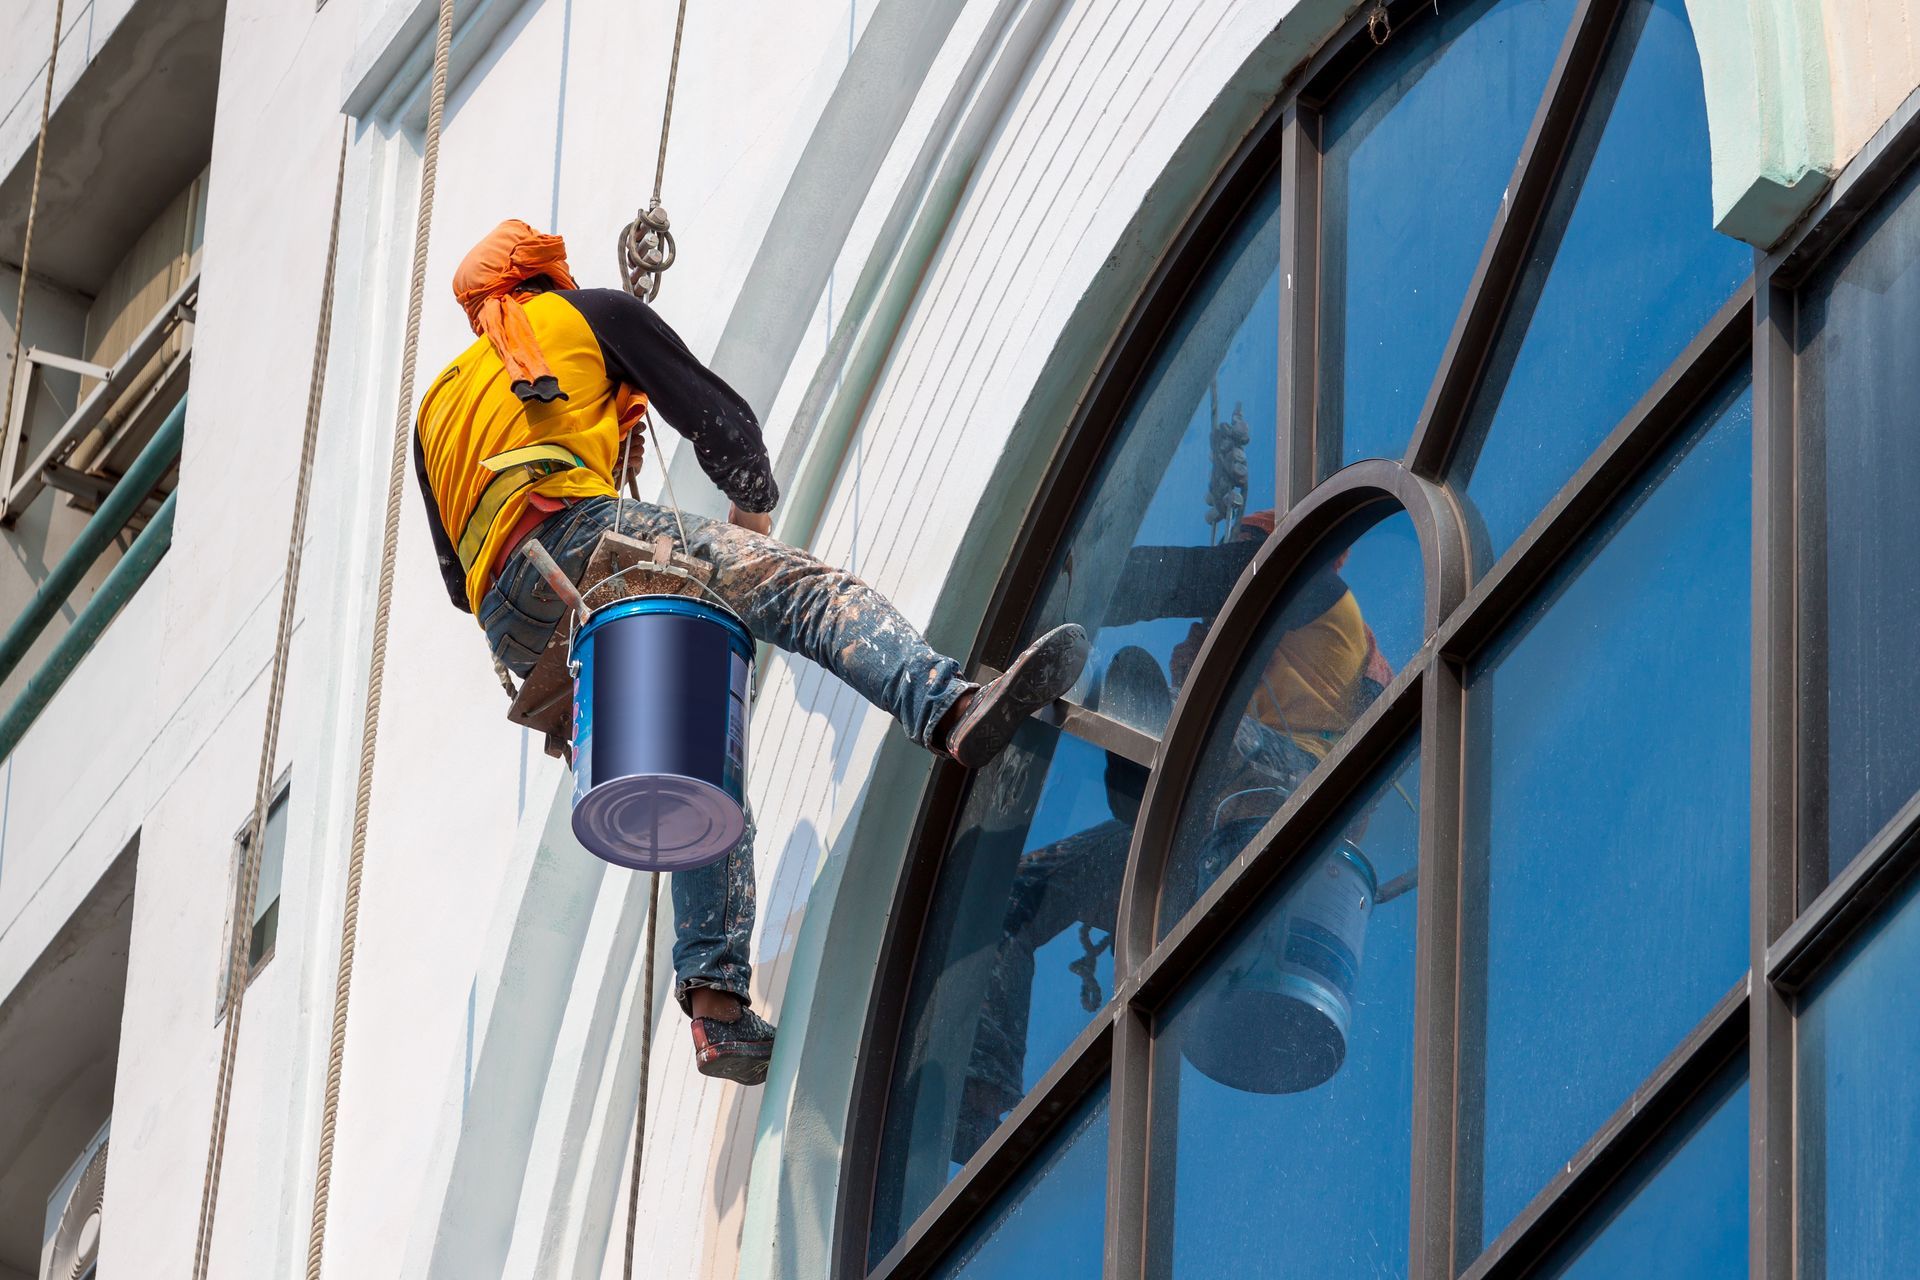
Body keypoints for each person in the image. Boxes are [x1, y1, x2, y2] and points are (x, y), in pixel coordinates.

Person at [412, 220, 1089, 1084]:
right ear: (547, 277)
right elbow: (719, 420)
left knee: (693, 752)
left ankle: (717, 1007)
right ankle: (951, 707)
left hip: (518, 623)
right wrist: (753, 516)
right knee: (804, 592)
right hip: (581, 537)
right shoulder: (589, 317)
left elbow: (449, 572)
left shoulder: (438, 404)